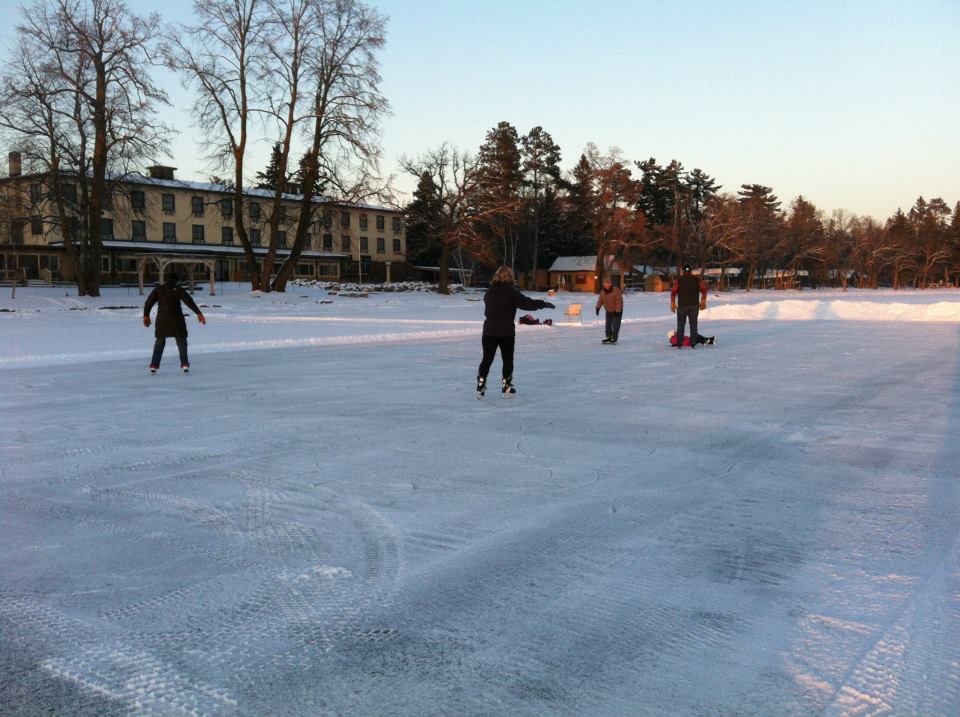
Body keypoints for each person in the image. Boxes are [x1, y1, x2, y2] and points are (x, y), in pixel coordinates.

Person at [477, 266, 554, 398]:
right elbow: (526, 304)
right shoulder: (511, 292)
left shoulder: (489, 292)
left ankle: (480, 383)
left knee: (487, 358)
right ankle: (506, 386)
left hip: (489, 330)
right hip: (506, 331)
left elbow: (489, 305)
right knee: (507, 359)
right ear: (511, 278)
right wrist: (543, 304)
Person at [143, 271, 206, 374]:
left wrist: (146, 315)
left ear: (165, 280)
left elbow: (149, 302)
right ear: (176, 280)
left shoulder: (159, 289)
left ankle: (154, 366)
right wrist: (198, 313)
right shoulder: (178, 289)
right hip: (177, 320)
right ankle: (185, 364)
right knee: (182, 342)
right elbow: (188, 301)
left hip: (162, 321)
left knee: (159, 342)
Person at [670, 265, 708, 349]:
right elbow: (704, 289)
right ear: (690, 271)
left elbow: (673, 291)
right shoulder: (696, 279)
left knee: (680, 325)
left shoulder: (679, 280)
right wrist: (703, 300)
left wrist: (672, 302)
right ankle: (693, 343)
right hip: (694, 305)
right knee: (693, 324)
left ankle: (679, 343)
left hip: (682, 306)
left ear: (683, 271)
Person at [595, 275, 624, 344]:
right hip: (608, 310)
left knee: (615, 324)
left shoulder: (616, 290)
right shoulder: (603, 291)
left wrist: (618, 311)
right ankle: (608, 337)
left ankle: (614, 338)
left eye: (608, 285)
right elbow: (600, 300)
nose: (606, 286)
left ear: (611, 284)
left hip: (617, 310)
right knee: (608, 324)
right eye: (605, 285)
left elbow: (619, 301)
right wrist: (598, 307)